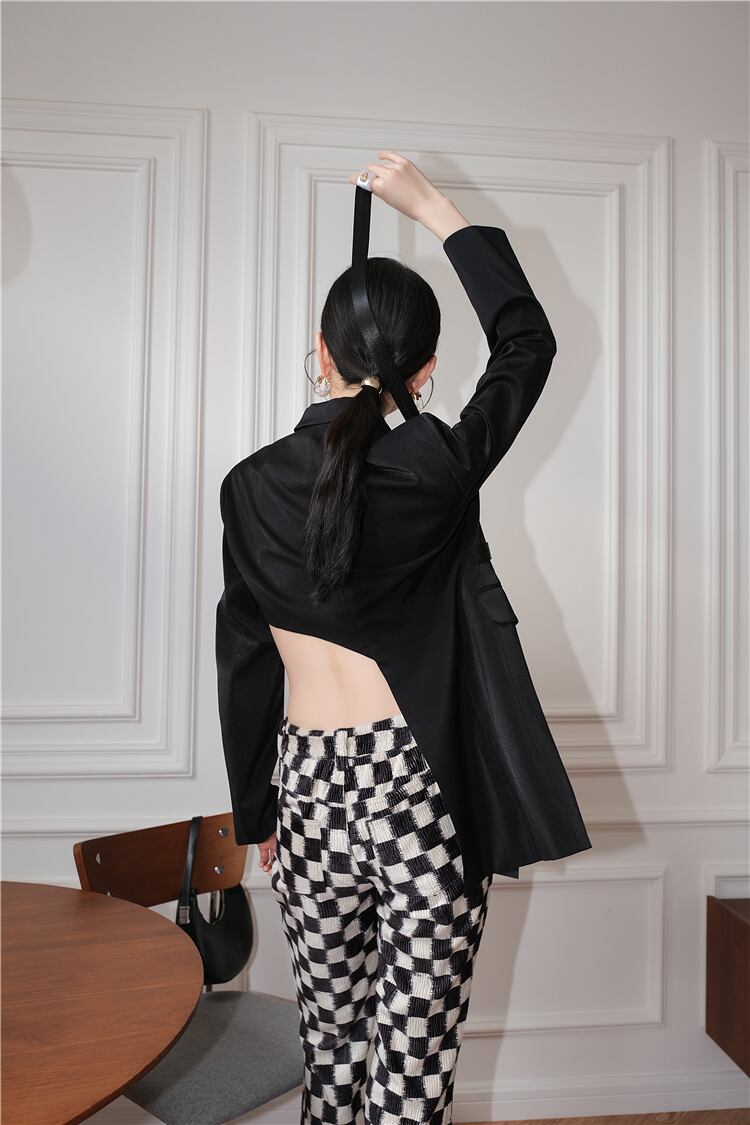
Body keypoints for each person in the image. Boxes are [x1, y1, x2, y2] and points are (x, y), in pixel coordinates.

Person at [215, 151, 592, 1124]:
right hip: (416, 786)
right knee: (411, 1073)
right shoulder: (438, 466)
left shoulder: (247, 487)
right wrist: (435, 208)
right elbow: (527, 343)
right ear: (424, 371)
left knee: (332, 1053)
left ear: (320, 350)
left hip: (307, 787)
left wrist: (257, 810)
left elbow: (246, 655)